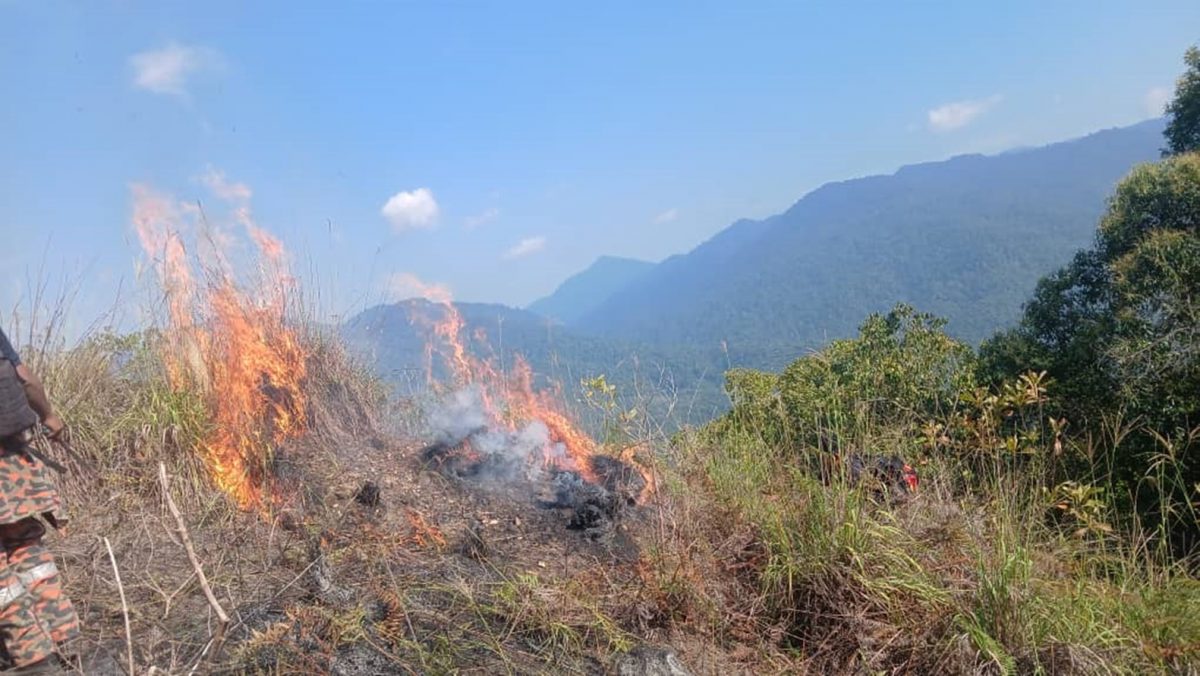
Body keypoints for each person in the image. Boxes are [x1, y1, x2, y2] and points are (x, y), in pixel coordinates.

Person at [0, 327, 79, 674]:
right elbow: (26, 378)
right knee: (31, 558)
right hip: (15, 472)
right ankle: (65, 640)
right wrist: (49, 415)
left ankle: (33, 660)